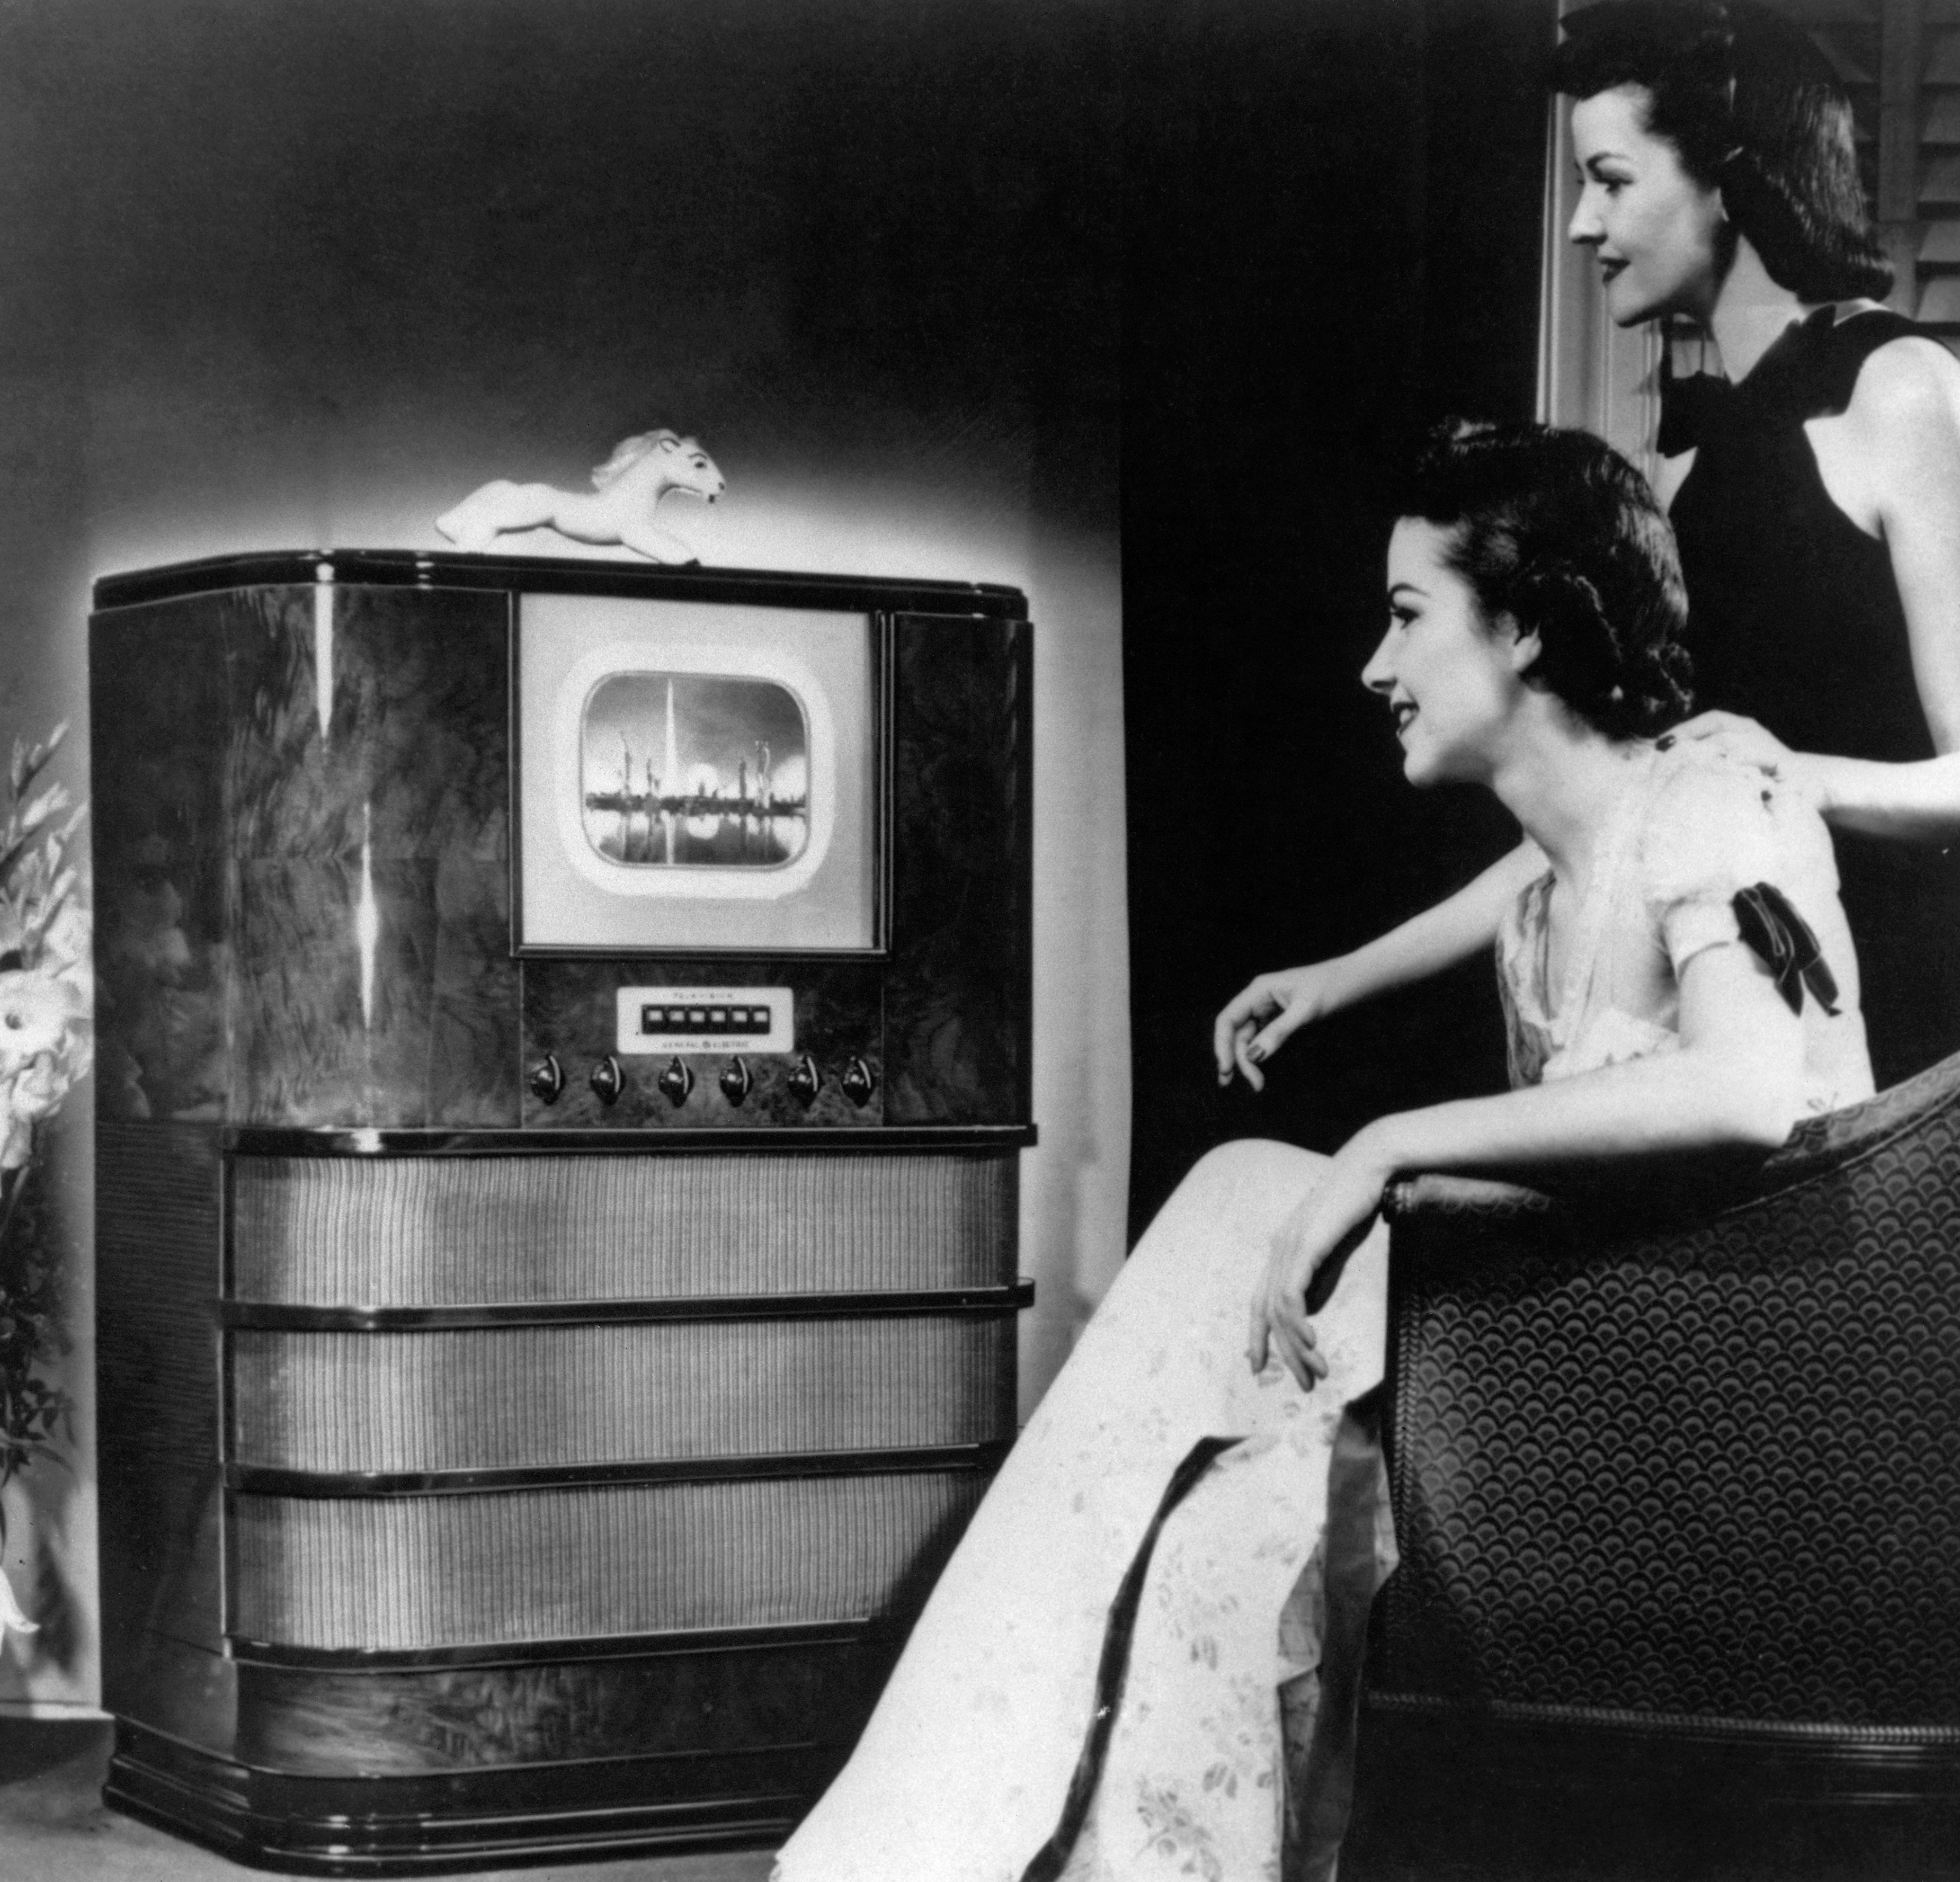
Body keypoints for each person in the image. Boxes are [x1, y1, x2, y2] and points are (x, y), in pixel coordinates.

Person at [776, 420, 1872, 1882]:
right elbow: (1527, 881)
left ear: (1526, 630)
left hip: (1724, 1380)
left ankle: (939, 1833)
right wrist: (1335, 981)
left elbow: (1744, 1090)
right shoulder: (1575, 858)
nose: (1373, 664)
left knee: (1243, 1251)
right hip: (1584, 1336)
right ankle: (969, 1815)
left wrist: (1385, 1147)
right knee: (1208, 1471)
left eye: (1408, 615)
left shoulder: (1716, 794)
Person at [1552, 0, 1960, 1087]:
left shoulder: (1900, 391)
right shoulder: (1689, 457)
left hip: (1914, 1050)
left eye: (1610, 180)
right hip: (1747, 1030)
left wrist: (1791, 777)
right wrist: (1341, 976)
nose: (1581, 225)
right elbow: (1636, 799)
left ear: (1729, 183)